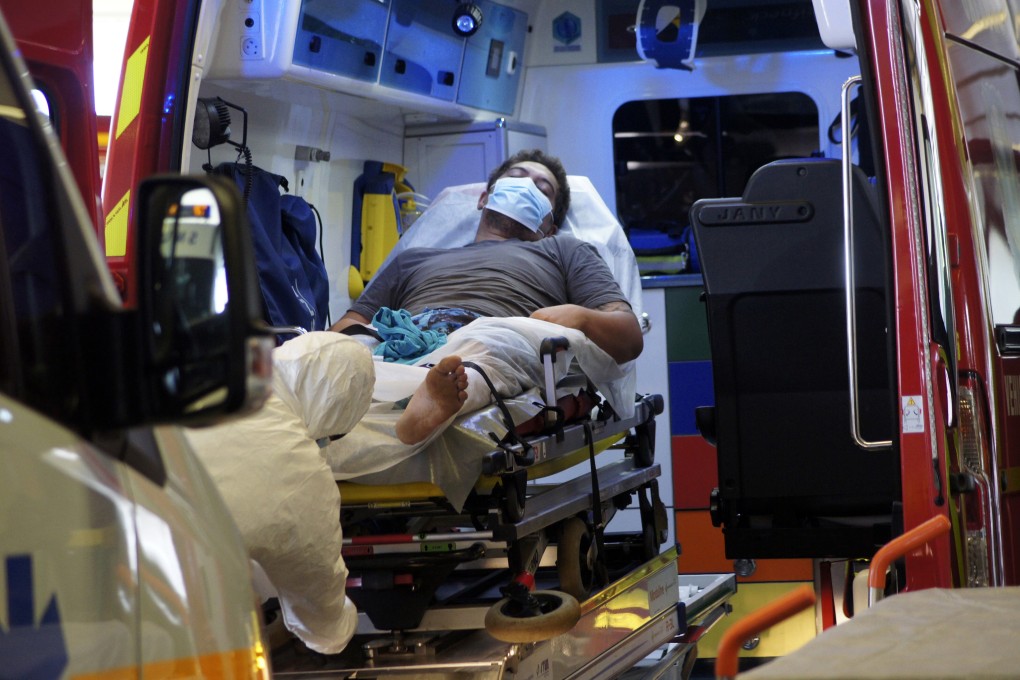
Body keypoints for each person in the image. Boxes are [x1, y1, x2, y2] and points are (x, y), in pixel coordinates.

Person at [330, 149, 643, 445]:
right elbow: (351, 324)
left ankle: (439, 396)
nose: (525, 186)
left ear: (550, 226)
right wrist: (322, 352)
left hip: (497, 331)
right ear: (483, 199)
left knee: (488, 346)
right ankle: (413, 388)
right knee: (327, 349)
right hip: (408, 336)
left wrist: (580, 317)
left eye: (542, 188)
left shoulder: (564, 250)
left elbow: (628, 336)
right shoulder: (412, 258)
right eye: (516, 176)